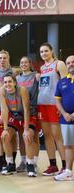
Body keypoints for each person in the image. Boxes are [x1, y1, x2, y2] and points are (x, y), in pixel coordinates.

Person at [38, 43, 67, 176]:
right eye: (41, 52)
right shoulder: (42, 67)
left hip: (54, 105)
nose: (44, 53)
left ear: (52, 51)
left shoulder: (59, 64)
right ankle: (53, 165)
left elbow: (66, 86)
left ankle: (65, 166)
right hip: (42, 105)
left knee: (57, 136)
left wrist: (62, 105)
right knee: (47, 136)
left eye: (46, 51)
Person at [0, 73, 37, 176]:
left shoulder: (22, 90)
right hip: (14, 116)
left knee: (27, 136)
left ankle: (30, 165)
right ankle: (10, 164)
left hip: (28, 114)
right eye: (5, 82)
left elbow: (26, 109)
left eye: (10, 81)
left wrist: (26, 129)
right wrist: (5, 128)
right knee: (5, 136)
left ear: (15, 83)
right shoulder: (2, 90)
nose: (7, 84)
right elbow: (4, 109)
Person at [16, 57, 40, 172]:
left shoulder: (36, 75)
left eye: (26, 62)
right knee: (22, 136)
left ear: (30, 64)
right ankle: (23, 161)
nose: (24, 64)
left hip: (33, 110)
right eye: (21, 62)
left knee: (33, 136)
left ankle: (34, 162)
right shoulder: (17, 78)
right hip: (20, 112)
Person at [54, 55, 74, 181]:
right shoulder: (61, 82)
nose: (71, 64)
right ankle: (68, 172)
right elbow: (57, 101)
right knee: (68, 145)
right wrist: (64, 113)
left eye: (73, 62)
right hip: (66, 119)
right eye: (68, 63)